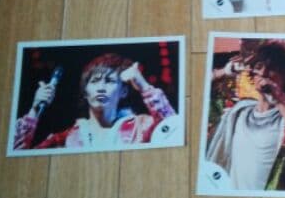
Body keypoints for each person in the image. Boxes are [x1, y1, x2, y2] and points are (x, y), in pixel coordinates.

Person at [206, 41, 285, 191]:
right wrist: (225, 71)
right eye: (259, 67)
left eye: (272, 69)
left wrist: (279, 101)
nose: (263, 73)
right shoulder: (238, 112)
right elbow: (205, 94)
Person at [13, 53, 176, 149]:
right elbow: (16, 158)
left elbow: (175, 132)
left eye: (109, 81)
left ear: (123, 91)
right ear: (85, 92)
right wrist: (34, 111)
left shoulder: (143, 126)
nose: (101, 88)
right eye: (95, 81)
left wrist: (144, 87)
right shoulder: (64, 138)